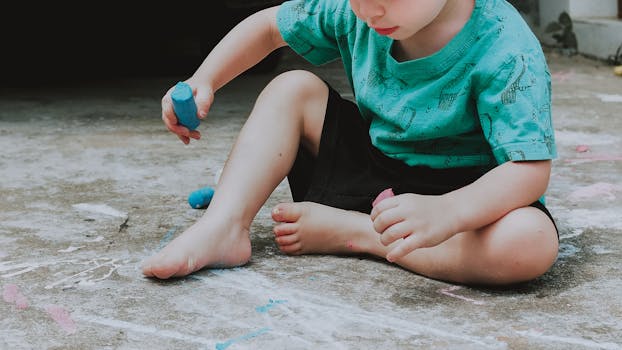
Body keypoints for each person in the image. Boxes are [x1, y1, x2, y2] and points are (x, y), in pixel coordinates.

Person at [141, 0, 560, 286]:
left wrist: (449, 211)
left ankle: (359, 234)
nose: (370, 10)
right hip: (371, 170)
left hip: (465, 197)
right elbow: (270, 28)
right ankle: (224, 226)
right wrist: (204, 80)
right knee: (293, 88)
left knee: (530, 243)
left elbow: (530, 170)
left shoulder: (506, 47)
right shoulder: (359, 11)